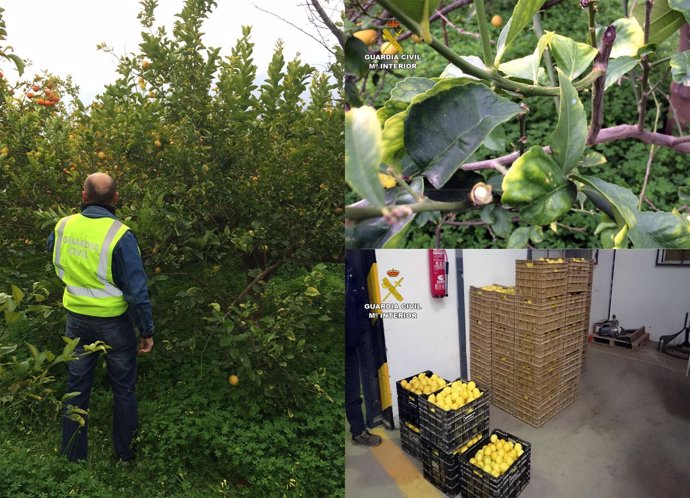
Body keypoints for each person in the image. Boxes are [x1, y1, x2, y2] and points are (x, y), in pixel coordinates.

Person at [49, 172, 154, 462]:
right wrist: (146, 330)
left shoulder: (62, 226)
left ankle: (72, 456)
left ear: (83, 196)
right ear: (116, 199)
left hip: (75, 320)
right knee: (123, 389)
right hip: (113, 325)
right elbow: (135, 289)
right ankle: (124, 456)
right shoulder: (120, 234)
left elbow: (55, 255)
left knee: (76, 388)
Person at [345, 254, 382, 447]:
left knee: (352, 387)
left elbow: (357, 298)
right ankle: (358, 431)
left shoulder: (351, 266)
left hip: (351, 337)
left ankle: (358, 431)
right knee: (350, 388)